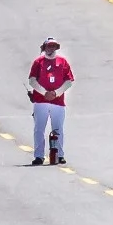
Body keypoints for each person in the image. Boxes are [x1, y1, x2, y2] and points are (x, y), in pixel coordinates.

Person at [28, 36, 73, 165]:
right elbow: (32, 80)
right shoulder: (38, 62)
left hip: (58, 102)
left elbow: (69, 81)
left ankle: (59, 154)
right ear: (45, 47)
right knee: (39, 129)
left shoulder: (62, 62)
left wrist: (56, 93)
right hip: (40, 101)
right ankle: (39, 156)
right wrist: (44, 93)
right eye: (49, 46)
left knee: (58, 128)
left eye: (53, 46)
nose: (51, 48)